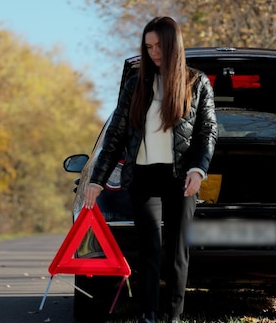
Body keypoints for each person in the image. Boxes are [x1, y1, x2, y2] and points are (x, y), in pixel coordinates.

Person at [83, 16, 218, 323]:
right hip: (143, 176)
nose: (154, 52)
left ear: (173, 45)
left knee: (176, 252)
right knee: (149, 250)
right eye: (149, 47)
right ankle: (148, 314)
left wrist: (198, 169)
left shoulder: (197, 83)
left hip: (180, 177)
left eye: (159, 46)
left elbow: (207, 131)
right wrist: (97, 179)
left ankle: (173, 315)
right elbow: (116, 135)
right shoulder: (135, 86)